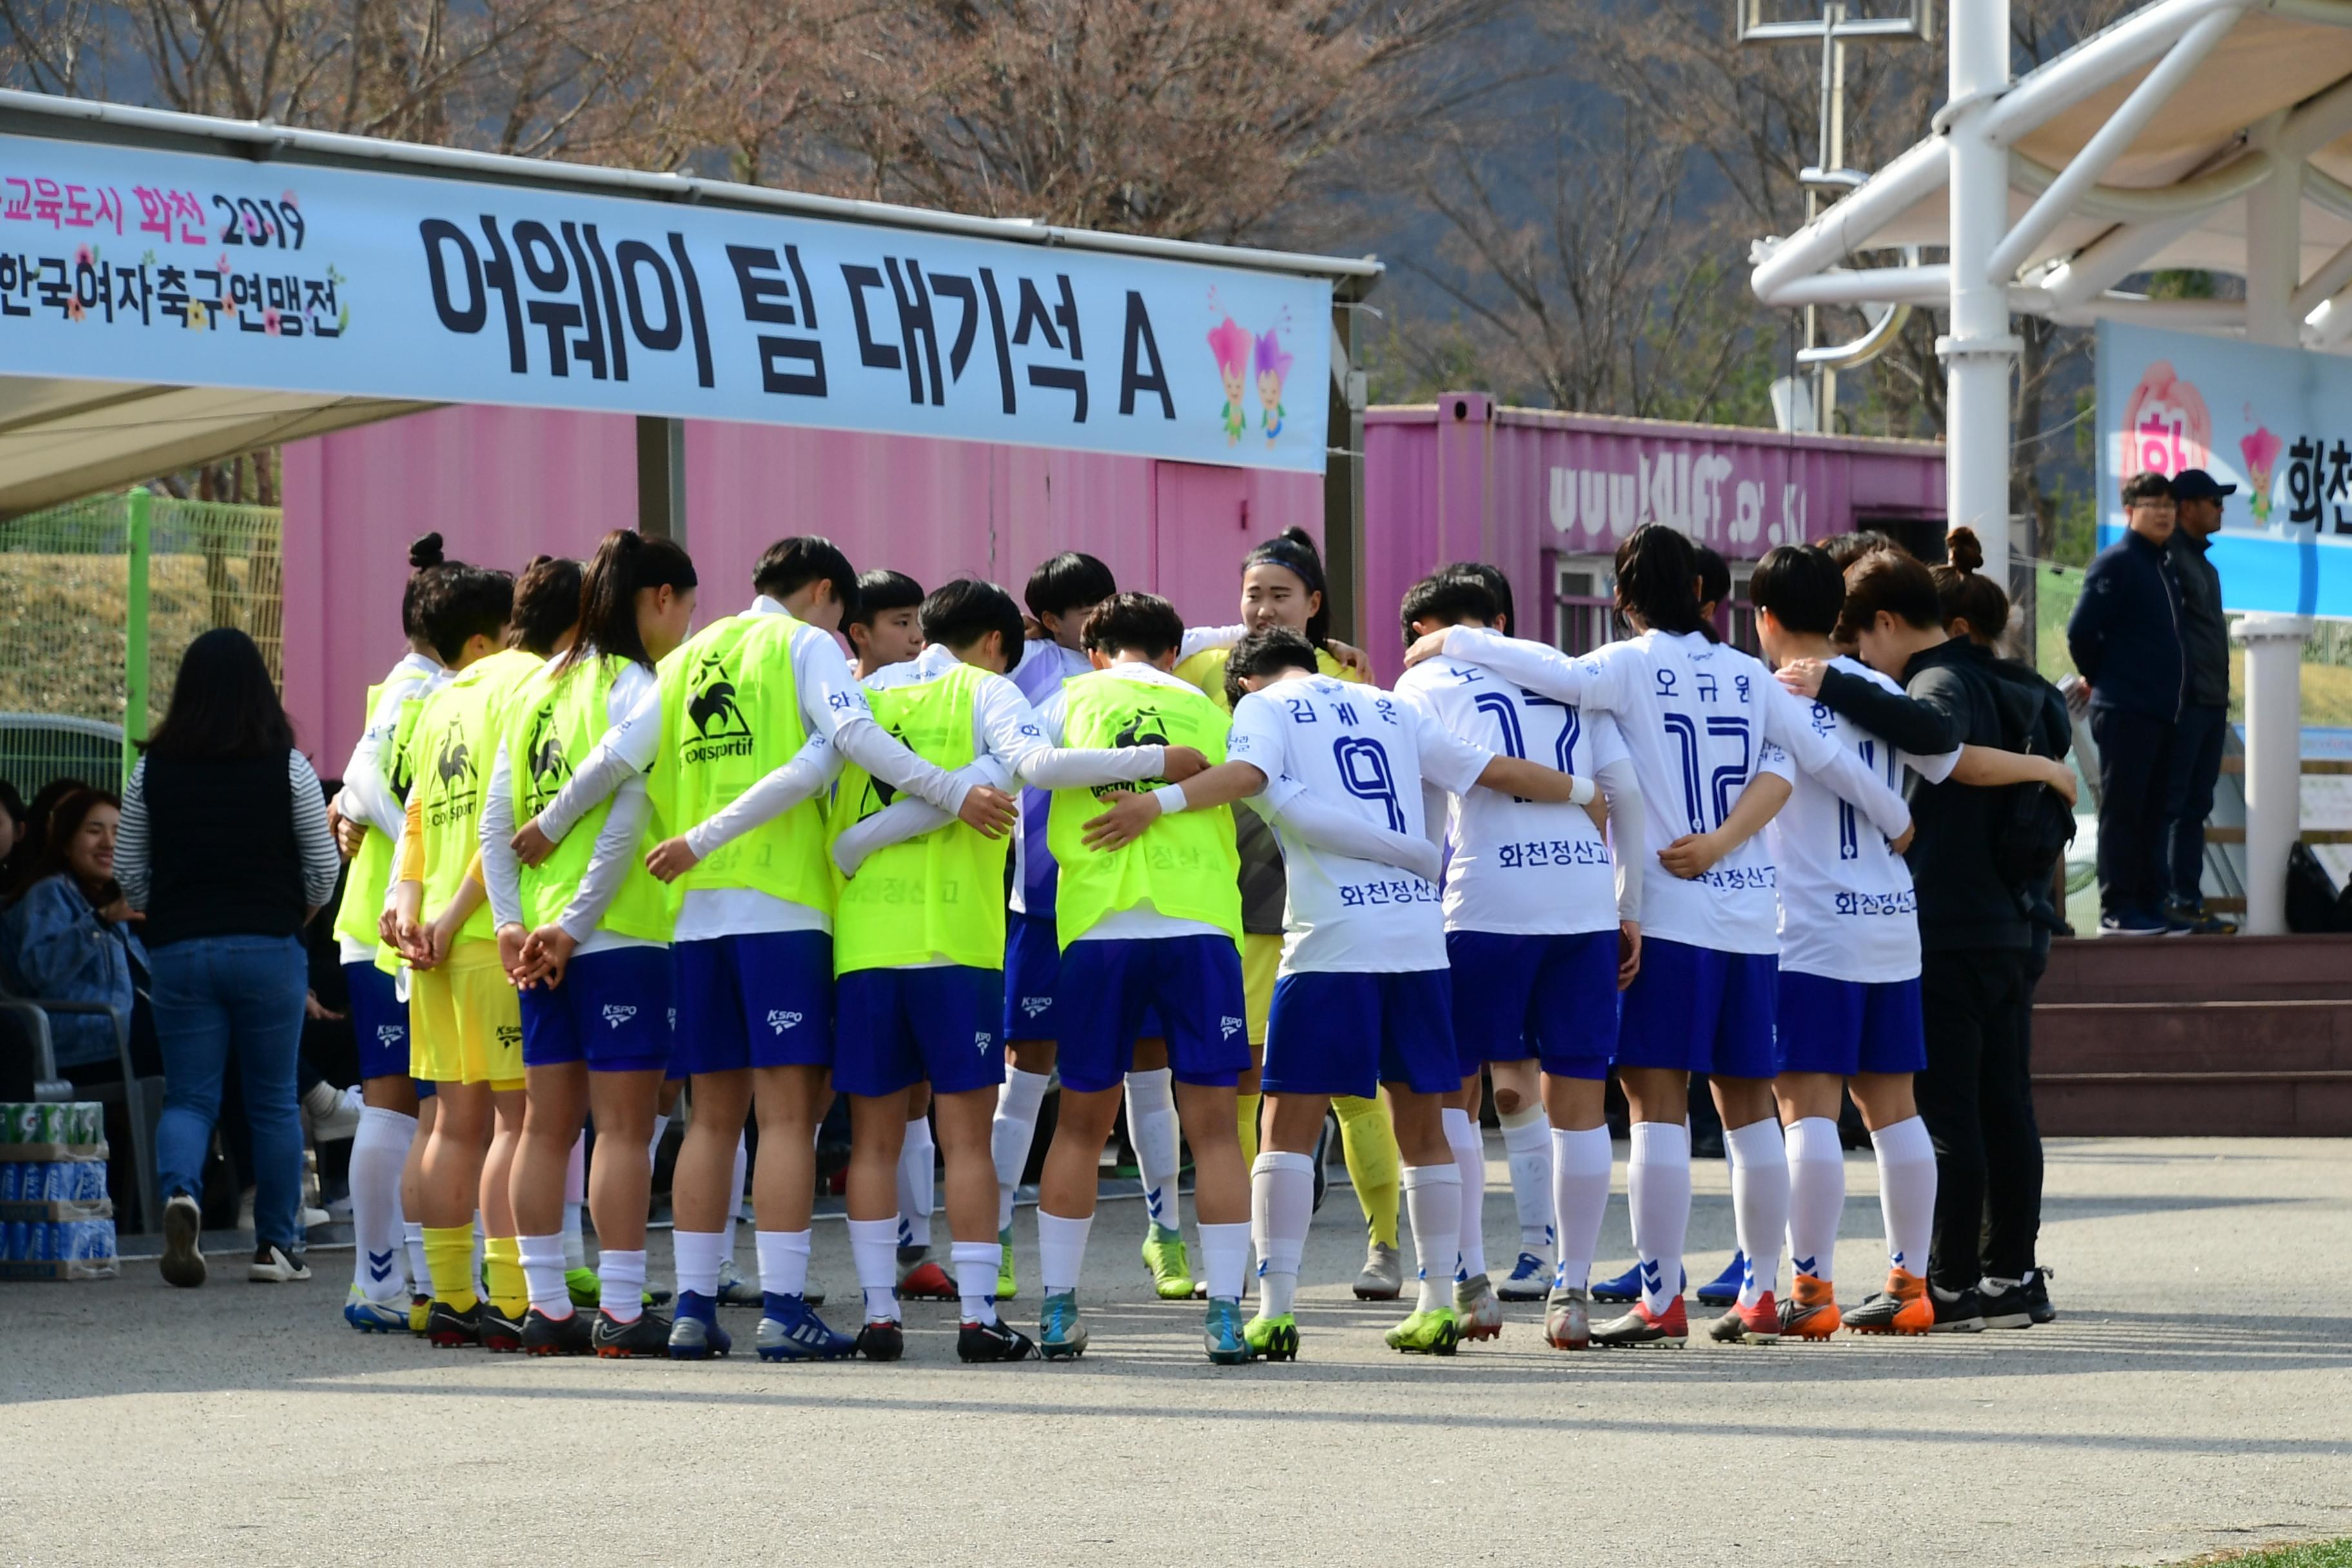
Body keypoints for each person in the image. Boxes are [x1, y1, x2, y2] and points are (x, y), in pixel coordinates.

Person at [1402, 524, 1913, 1349]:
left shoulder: (1626, 663)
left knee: (1656, 1107)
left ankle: (1663, 1295)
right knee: (1751, 1109)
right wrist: (1724, 841)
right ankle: (1762, 1288)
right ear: (1710, 597)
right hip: (1750, 912)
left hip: (1669, 913)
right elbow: (1788, 768)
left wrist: (1458, 639)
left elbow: (1555, 673)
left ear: (1623, 597)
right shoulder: (1751, 673)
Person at [514, 537, 1015, 1362]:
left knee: (710, 1117)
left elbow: (619, 757)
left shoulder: (685, 654)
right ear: (823, 592)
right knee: (786, 1115)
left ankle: (691, 1306)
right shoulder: (804, 644)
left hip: (697, 917)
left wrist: (553, 820)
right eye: (845, 615)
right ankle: (783, 1307)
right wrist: (951, 787)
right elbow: (847, 738)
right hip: (784, 906)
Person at [1084, 626, 1597, 1359]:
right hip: (1418, 936)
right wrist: (1583, 793)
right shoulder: (1388, 704)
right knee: (1423, 1119)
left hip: (1332, 937)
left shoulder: (1266, 707)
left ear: (1244, 683)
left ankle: (1278, 1305)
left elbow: (1248, 776)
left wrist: (1157, 803)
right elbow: (1484, 767)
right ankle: (1436, 1301)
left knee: (1285, 1122)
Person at [819, 578, 1193, 1364]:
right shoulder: (985, 690)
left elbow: (809, 785)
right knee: (963, 1138)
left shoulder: (860, 691)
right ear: (994, 642)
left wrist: (848, 846)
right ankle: (978, 1313)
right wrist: (1158, 759)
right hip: (958, 938)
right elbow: (1039, 763)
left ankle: (880, 1316)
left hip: (866, 939)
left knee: (876, 1140)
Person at [1749, 545, 2072, 1338]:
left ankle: (1811, 1290)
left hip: (1814, 923)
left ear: (1765, 617)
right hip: (1893, 920)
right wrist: (2049, 771)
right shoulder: (1883, 689)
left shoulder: (1774, 692)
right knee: (1898, 1113)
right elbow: (1954, 759)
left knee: (1807, 1111)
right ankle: (1911, 1283)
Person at [986, 551, 1250, 1304]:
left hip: (1095, 930)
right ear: (1173, 654)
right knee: (1214, 1129)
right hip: (1199, 928)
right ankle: (1227, 1312)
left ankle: (1061, 1308)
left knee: (1077, 1125)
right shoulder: (1208, 708)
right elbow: (1253, 782)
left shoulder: (1067, 697)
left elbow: (1021, 768)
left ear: (1096, 651)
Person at [1393, 568, 1644, 1350]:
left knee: (1453, 1094)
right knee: (1579, 1101)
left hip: (1482, 904)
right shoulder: (1559, 670)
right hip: (1582, 904)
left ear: (1423, 632)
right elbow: (1624, 794)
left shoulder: (1423, 682)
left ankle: (1470, 1282)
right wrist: (1627, 905)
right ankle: (1569, 1289)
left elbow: (1425, 809)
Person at [1171, 527, 1408, 1304]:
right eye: (1252, 593)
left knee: (1356, 1088)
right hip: (1234, 897)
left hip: (1331, 903)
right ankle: (1242, 1249)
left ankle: (1384, 1243)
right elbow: (1143, 646)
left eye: (1281, 594)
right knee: (1244, 1080)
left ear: (1315, 602)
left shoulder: (1355, 678)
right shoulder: (1206, 665)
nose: (1264, 608)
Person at [485, 529, 698, 1357]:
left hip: (535, 938)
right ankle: (616, 1307)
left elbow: (496, 817)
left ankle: (547, 1305)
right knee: (621, 1125)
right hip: (613, 934)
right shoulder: (639, 686)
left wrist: (512, 922)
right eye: (686, 604)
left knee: (546, 1124)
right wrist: (574, 924)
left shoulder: (540, 683)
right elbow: (627, 820)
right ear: (659, 598)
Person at [118, 627, 341, 1288]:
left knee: (190, 1095)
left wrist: (173, 908)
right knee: (273, 1100)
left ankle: (181, 1193)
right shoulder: (289, 766)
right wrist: (293, 913)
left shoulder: (150, 769)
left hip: (181, 950)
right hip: (270, 947)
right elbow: (323, 866)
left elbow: (130, 868)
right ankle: (277, 1247)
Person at [384, 558, 534, 1349]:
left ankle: (447, 1296)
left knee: (450, 1125)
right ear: (494, 630)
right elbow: (503, 817)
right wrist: (452, 915)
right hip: (484, 934)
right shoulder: (525, 679)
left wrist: (407, 909)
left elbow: (415, 818)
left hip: (431, 946)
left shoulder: (437, 699)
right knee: (517, 1121)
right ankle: (512, 1298)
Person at [326, 535, 457, 1332]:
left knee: (405, 1107)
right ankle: (386, 1277)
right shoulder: (424, 693)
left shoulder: (396, 689)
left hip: (382, 921)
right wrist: (386, 818)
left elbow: (354, 783)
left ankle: (393, 1275)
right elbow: (367, 784)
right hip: (402, 925)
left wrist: (358, 811)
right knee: (406, 1107)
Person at [845, 566, 954, 1298]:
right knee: (853, 1105)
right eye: (899, 624)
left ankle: (915, 1248)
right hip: (848, 928)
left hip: (928, 928)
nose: (917, 637)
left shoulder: (937, 694)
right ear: (858, 632)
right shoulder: (840, 701)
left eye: (920, 623)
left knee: (917, 1093)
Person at [2066, 471, 2188, 936]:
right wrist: (2103, 680)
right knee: (2125, 810)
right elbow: (2081, 631)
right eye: (2152, 503)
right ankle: (2118, 908)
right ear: (2130, 509)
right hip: (2125, 709)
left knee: (2158, 812)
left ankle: (2151, 904)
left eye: (2169, 505)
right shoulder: (2116, 562)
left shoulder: (2164, 564)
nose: (2163, 512)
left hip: (2162, 711)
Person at [2162, 469, 2235, 934]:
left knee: (2196, 804)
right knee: (2174, 804)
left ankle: (2187, 900)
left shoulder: (2204, 565)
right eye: (2214, 500)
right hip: (2183, 704)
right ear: (2186, 506)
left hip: (2211, 702)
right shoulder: (2167, 559)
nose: (2221, 508)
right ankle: (2169, 899)